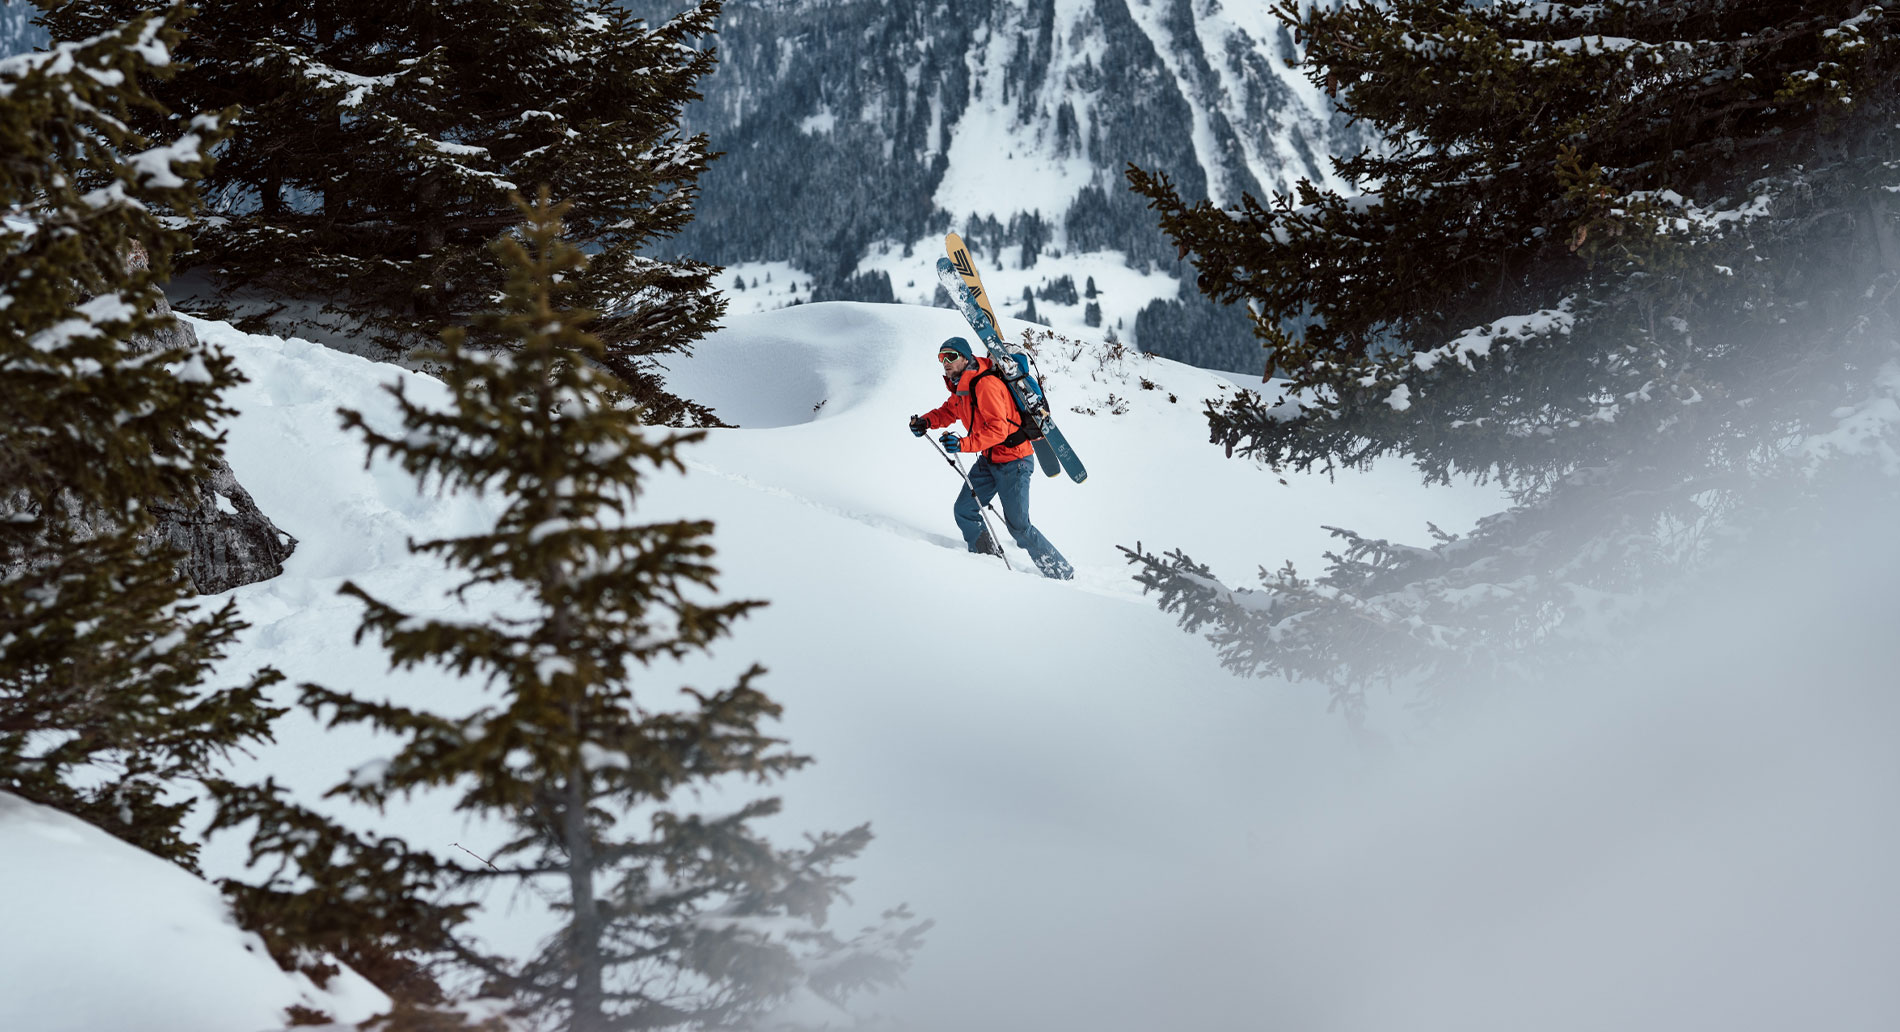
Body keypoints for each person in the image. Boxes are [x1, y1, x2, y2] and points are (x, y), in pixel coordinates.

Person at [909, 335, 1074, 579]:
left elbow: (999, 430)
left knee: (1019, 527)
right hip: (989, 460)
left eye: (951, 356)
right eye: (941, 358)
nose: (945, 362)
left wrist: (963, 444)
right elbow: (948, 411)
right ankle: (987, 563)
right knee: (965, 509)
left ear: (965, 358)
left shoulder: (986, 385)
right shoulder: (963, 386)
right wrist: (926, 421)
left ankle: (1061, 572)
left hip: (1014, 462)